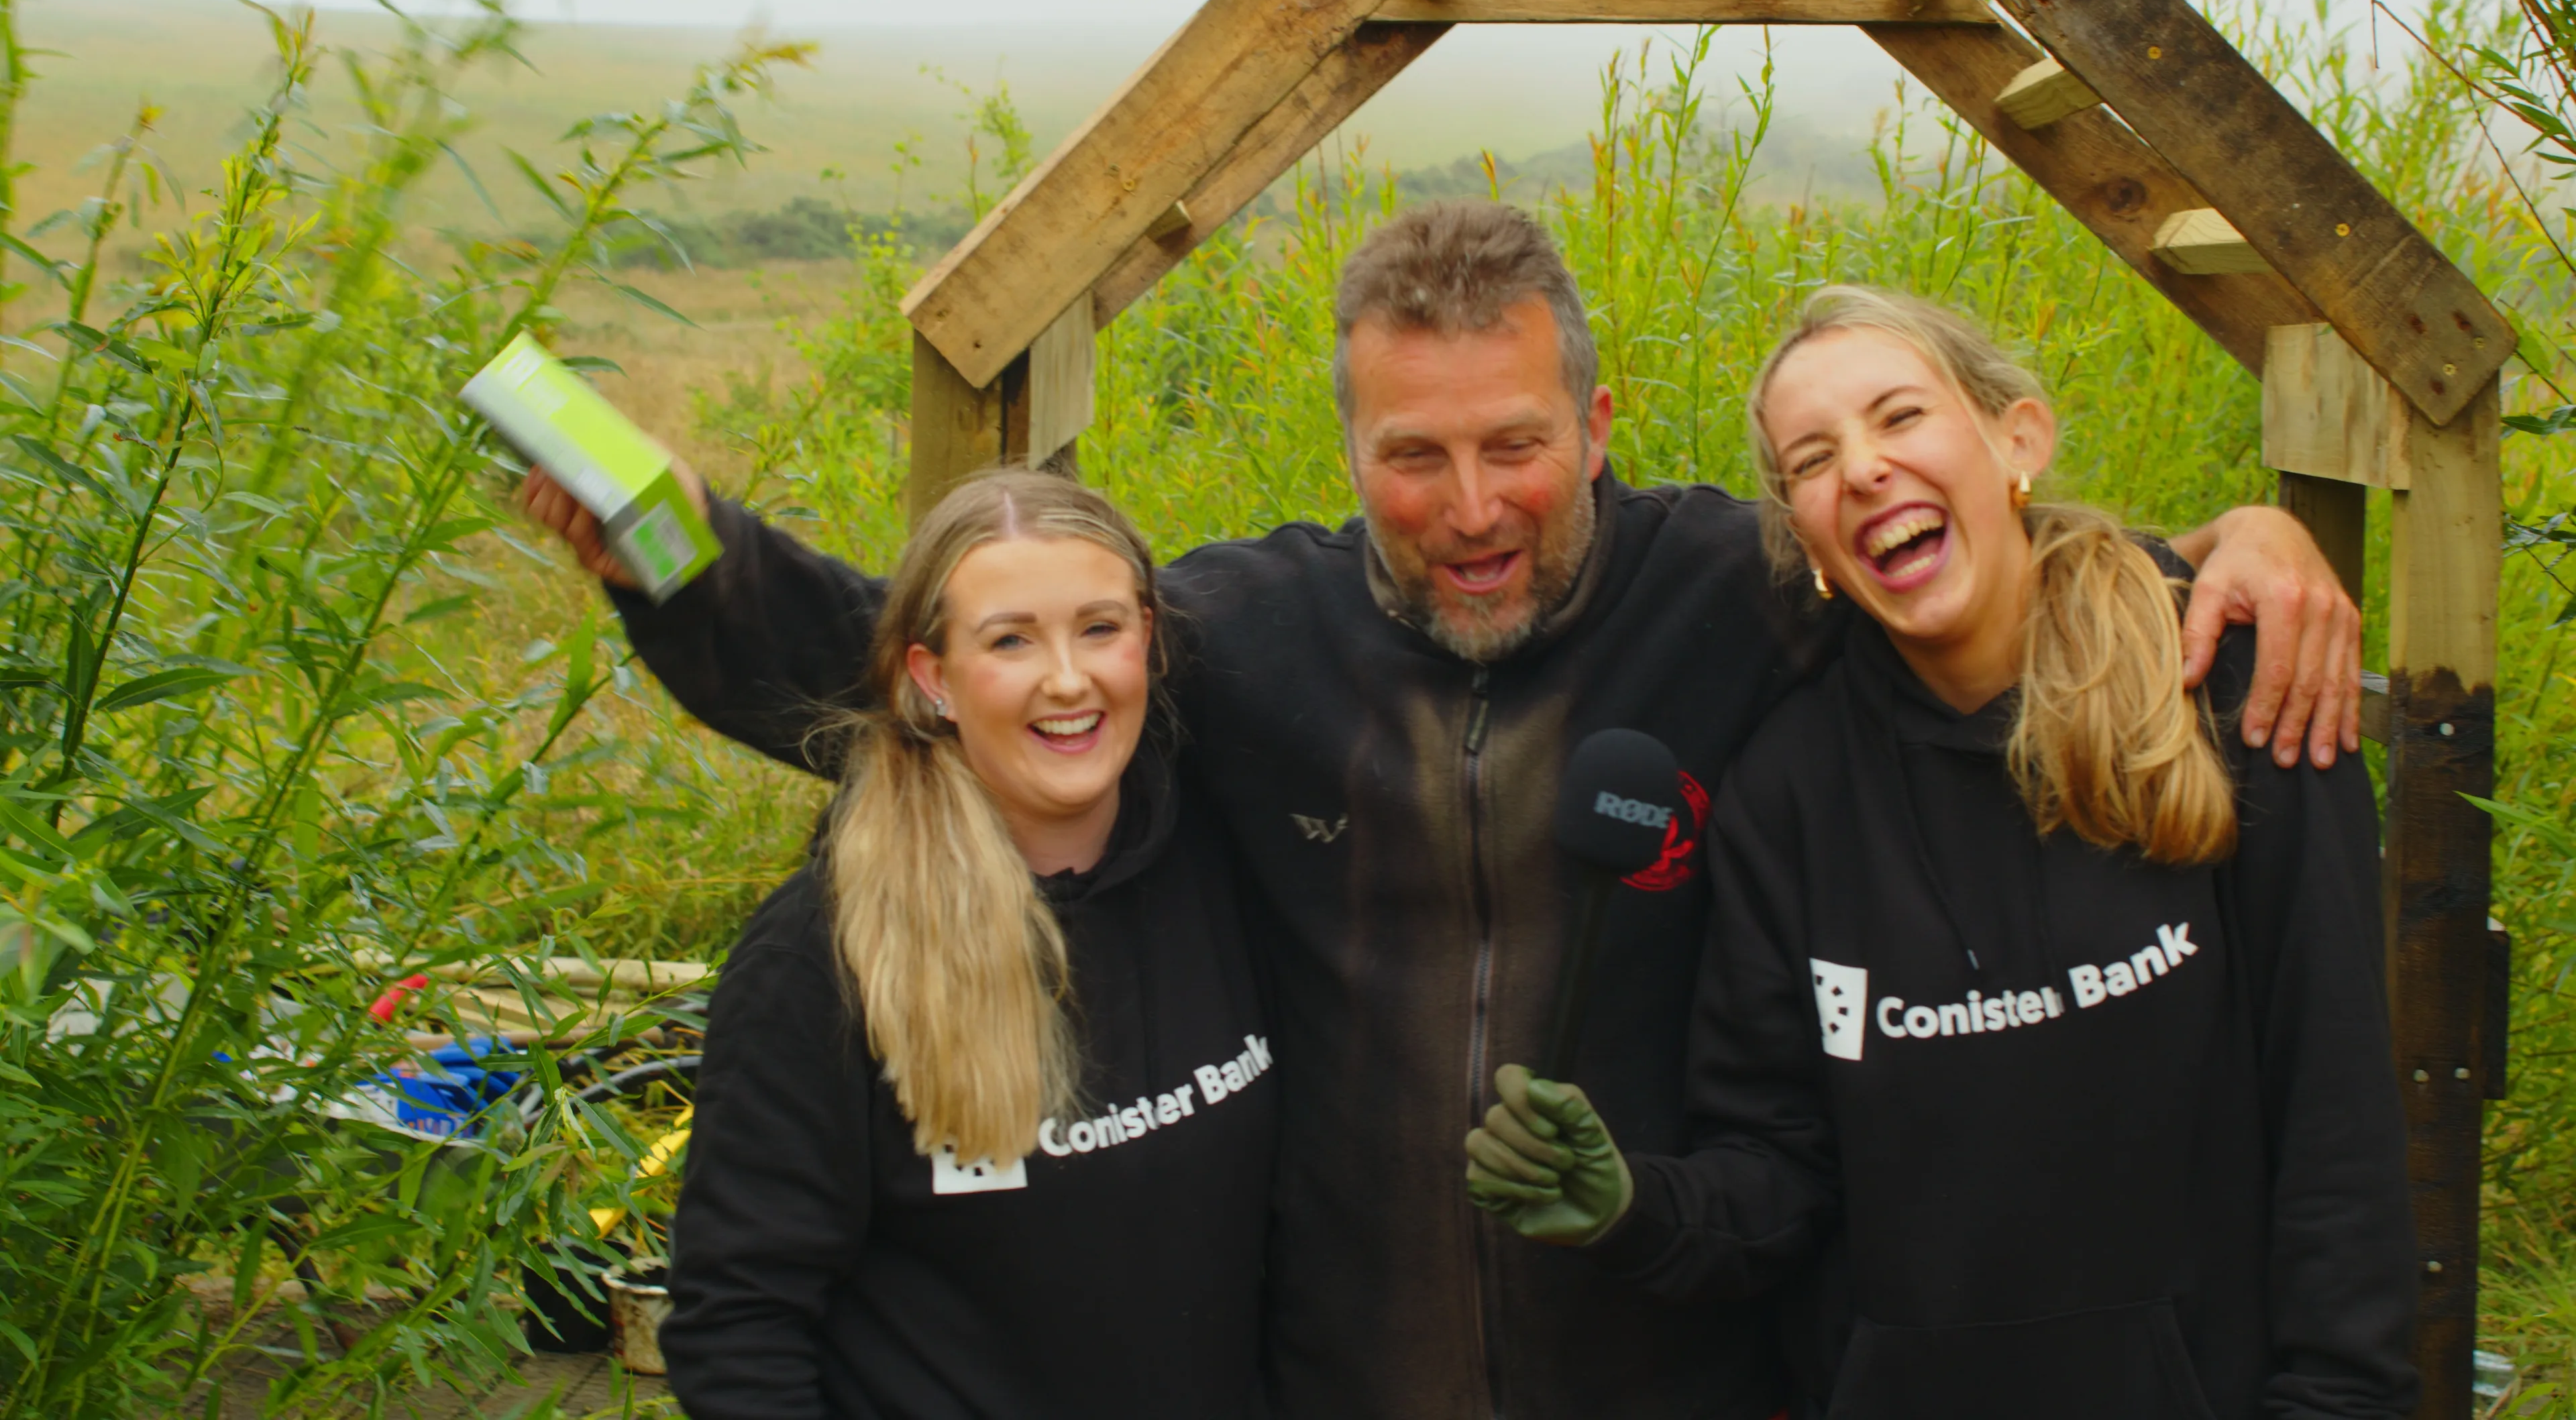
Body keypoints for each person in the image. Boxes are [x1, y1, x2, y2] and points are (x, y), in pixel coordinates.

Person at [523, 202, 2363, 1418]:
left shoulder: (1733, 595)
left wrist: (2229, 557)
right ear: (1352, 453)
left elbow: (1952, 565)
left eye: (1515, 446)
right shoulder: (1249, 646)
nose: (1472, 504)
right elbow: (954, 667)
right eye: (1415, 456)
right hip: (1349, 1386)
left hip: (1671, 1374)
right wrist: (669, 551)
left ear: (1596, 427)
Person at [1464, 286, 2416, 1419]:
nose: (1864, 470)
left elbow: (2338, 1127)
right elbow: (1783, 1170)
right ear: (1807, 541)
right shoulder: (1789, 798)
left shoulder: (2228, 693)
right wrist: (1637, 1210)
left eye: (1900, 416)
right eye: (1813, 459)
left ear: (2019, 439)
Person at [657, 470, 1277, 1419]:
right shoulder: (825, 959)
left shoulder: (1226, 867)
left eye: (1099, 628)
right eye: (1010, 640)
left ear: (1150, 642)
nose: (1066, 678)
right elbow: (737, 1327)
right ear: (933, 677)